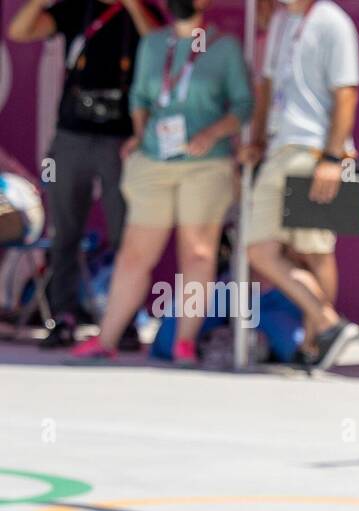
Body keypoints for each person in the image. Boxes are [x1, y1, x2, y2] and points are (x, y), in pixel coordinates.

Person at [68, 0, 252, 364]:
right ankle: (106, 339)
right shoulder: (154, 43)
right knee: (135, 252)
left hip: (204, 164)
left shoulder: (223, 48)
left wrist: (213, 133)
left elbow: (244, 105)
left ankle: (184, 341)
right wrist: (139, 133)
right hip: (154, 159)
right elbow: (140, 97)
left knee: (198, 254)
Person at [6, 0, 163, 349]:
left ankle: (125, 320)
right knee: (65, 232)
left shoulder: (144, 11)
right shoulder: (78, 9)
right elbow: (18, 31)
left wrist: (133, 5)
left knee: (127, 234)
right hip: (72, 133)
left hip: (121, 138)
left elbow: (161, 44)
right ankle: (63, 315)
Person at [240, 0, 359, 370]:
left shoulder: (334, 21)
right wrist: (258, 140)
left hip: (313, 152)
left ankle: (314, 346)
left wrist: (331, 156)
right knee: (258, 249)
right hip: (279, 149)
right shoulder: (281, 20)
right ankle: (328, 325)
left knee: (316, 251)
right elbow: (269, 85)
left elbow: (347, 93)